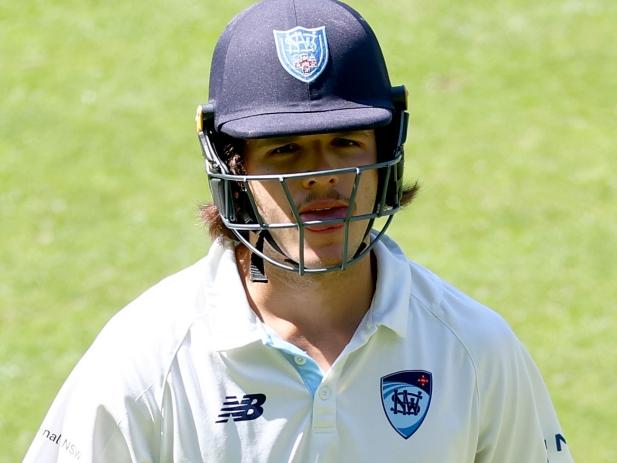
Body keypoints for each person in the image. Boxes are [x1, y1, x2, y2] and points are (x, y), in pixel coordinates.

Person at [24, 0, 574, 461]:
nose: (322, 177)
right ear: (232, 168)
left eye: (346, 142)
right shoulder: (147, 358)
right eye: (285, 150)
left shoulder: (474, 349)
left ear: (388, 150)